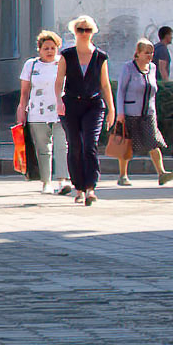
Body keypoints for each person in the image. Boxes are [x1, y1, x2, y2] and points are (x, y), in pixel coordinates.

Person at [55, 15, 116, 206]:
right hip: (71, 104)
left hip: (94, 105)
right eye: (80, 30)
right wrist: (58, 101)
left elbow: (105, 85)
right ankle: (79, 188)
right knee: (75, 145)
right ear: (74, 32)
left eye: (87, 30)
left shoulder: (100, 57)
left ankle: (91, 188)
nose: (83, 33)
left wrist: (112, 109)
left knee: (90, 144)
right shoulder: (67, 55)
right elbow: (59, 81)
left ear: (93, 32)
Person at [114, 38, 173, 187]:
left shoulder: (153, 68)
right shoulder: (128, 68)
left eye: (151, 53)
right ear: (138, 53)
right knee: (126, 144)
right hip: (130, 112)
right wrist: (120, 113)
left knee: (153, 142)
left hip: (148, 113)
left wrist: (153, 111)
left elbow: (152, 92)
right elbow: (121, 91)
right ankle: (123, 175)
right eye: (147, 53)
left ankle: (161, 173)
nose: (150, 56)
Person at [17, 31, 72, 195]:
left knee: (62, 146)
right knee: (43, 148)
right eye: (46, 48)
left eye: (53, 48)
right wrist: (22, 110)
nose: (49, 51)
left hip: (60, 111)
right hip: (37, 112)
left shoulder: (63, 63)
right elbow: (25, 92)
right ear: (39, 49)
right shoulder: (31, 65)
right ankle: (46, 182)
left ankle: (63, 180)